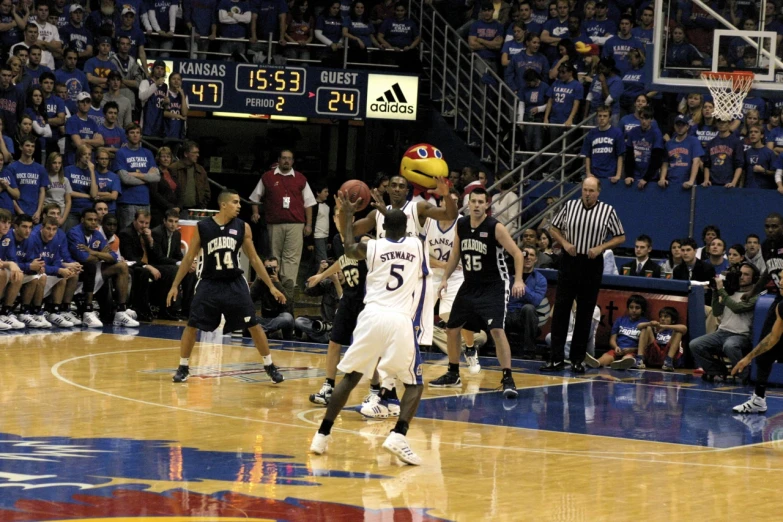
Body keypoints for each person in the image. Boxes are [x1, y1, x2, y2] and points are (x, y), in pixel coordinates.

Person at [309, 199, 426, 466]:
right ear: (406, 227)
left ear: (383, 227)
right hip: (399, 320)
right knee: (414, 384)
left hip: (371, 315)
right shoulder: (416, 246)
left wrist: (348, 218)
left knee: (350, 378)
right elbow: (405, 226)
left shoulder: (372, 247)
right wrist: (388, 212)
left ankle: (322, 435)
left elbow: (349, 248)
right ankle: (398, 434)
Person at [167, 189, 285, 384]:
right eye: (235, 202)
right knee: (192, 324)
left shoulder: (243, 227)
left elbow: (254, 259)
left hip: (234, 284)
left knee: (253, 324)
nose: (239, 206)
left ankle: (269, 365)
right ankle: (183, 366)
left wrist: (271, 286)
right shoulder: (203, 227)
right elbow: (189, 257)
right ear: (223, 205)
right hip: (209, 283)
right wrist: (174, 285)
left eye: (239, 202)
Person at [428, 187, 525, 397]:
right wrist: (445, 278)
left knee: (497, 331)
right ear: (469, 203)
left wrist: (518, 280)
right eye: (474, 201)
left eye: (482, 202)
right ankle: (453, 373)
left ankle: (508, 378)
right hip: (470, 284)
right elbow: (455, 253)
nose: (477, 205)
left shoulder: (495, 227)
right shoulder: (461, 225)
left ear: (487, 205)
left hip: (494, 286)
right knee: (452, 328)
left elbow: (517, 254)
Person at [541, 177, 625, 373]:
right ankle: (556, 358)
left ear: (598, 192)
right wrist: (564, 243)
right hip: (570, 259)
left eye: (591, 190)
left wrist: (601, 247)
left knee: (585, 313)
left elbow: (621, 236)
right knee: (561, 310)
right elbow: (553, 228)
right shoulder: (570, 205)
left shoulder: (607, 210)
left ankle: (578, 359)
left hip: (592, 261)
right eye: (585, 189)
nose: (587, 193)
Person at [307, 208, 370, 407]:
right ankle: (328, 386)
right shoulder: (336, 240)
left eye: (343, 215)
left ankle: (377, 391)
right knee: (334, 342)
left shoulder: (364, 239)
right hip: (348, 298)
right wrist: (321, 276)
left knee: (370, 348)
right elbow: (343, 261)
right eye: (336, 215)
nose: (338, 219)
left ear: (352, 218)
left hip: (367, 300)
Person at [249, 149, 316, 294]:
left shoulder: (300, 178)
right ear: (278, 160)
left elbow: (309, 203)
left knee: (292, 257)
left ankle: (288, 289)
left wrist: (309, 224)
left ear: (292, 161)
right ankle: (274, 287)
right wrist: (255, 213)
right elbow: (255, 197)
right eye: (284, 158)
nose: (286, 161)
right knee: (275, 256)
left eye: (289, 159)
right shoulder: (267, 177)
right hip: (274, 223)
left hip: (296, 224)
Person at [67, 207, 135, 328]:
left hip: (93, 269)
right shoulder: (74, 233)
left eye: (95, 220)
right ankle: (87, 311)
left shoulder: (97, 234)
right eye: (90, 220)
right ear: (82, 220)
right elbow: (83, 258)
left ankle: (121, 311)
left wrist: (93, 252)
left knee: (122, 266)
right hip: (77, 271)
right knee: (90, 266)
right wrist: (101, 255)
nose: (93, 222)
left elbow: (113, 256)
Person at [691, 262, 759, 381]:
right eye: (740, 273)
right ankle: (716, 370)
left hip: (742, 335)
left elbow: (738, 308)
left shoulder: (755, 295)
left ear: (754, 278)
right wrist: (715, 292)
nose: (742, 277)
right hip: (722, 332)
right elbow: (717, 312)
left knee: (730, 346)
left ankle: (744, 375)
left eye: (746, 274)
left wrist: (721, 290)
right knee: (695, 344)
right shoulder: (730, 291)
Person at [118, 208, 176, 321]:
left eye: (147, 223)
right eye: (141, 222)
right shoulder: (126, 233)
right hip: (133, 266)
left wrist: (150, 240)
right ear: (134, 220)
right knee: (143, 272)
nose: (144, 225)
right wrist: (147, 266)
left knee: (171, 270)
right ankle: (142, 310)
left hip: (148, 264)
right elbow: (130, 257)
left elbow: (157, 256)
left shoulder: (148, 234)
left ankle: (164, 310)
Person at [114, 123, 160, 230]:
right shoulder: (121, 153)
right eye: (132, 132)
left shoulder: (147, 153)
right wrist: (146, 178)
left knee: (143, 235)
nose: (135, 135)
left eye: (138, 133)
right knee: (128, 234)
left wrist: (136, 174)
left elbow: (156, 177)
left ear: (141, 135)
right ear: (126, 135)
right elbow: (125, 179)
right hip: (127, 201)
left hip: (144, 201)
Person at [585, 294, 648, 370]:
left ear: (642, 310)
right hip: (618, 350)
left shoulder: (645, 323)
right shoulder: (620, 320)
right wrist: (616, 347)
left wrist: (632, 349)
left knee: (627, 358)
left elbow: (645, 346)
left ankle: (621, 364)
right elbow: (612, 340)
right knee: (606, 357)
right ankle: (596, 363)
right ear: (628, 308)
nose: (634, 310)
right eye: (631, 307)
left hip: (632, 352)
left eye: (637, 308)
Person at [152, 208, 195, 317]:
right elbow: (159, 257)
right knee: (175, 270)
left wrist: (186, 264)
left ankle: (186, 310)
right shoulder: (157, 233)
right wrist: (178, 263)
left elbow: (178, 255)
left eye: (176, 222)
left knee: (191, 272)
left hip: (170, 265)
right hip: (157, 265)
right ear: (164, 221)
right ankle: (168, 309)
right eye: (170, 221)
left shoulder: (177, 234)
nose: (173, 225)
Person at [505, 246, 548, 354]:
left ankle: (529, 350)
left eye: (532, 255)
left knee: (529, 308)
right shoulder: (508, 276)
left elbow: (536, 301)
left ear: (536, 259)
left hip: (524, 317)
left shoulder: (540, 279)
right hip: (508, 313)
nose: (528, 258)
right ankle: (493, 348)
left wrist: (522, 286)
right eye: (525, 255)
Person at [295, 258, 341, 343]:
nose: (338, 272)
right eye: (335, 270)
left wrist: (336, 282)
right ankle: (325, 337)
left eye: (340, 270)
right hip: (325, 324)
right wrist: (320, 273)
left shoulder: (351, 286)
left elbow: (343, 301)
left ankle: (320, 337)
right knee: (300, 321)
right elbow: (309, 290)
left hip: (340, 326)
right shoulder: (328, 283)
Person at [250, 256, 294, 338]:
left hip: (281, 318)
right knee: (247, 317)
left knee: (287, 318)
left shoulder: (287, 281)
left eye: (274, 267)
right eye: (268, 268)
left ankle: (262, 329)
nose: (271, 270)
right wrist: (258, 281)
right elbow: (249, 299)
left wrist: (277, 282)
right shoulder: (260, 281)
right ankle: (266, 329)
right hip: (266, 318)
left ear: (278, 267)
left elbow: (288, 303)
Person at [168, 141, 211, 219]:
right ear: (186, 154)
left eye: (198, 152)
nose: (197, 155)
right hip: (178, 210)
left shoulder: (200, 169)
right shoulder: (174, 168)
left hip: (197, 210)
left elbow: (206, 191)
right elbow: (167, 190)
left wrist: (202, 206)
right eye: (194, 152)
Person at [9, 136, 48, 223]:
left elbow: (42, 192)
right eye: (27, 145)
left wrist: (38, 211)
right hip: (17, 214)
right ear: (20, 147)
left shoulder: (40, 169)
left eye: (32, 146)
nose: (30, 148)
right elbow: (10, 194)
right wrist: (20, 213)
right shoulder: (12, 168)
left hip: (35, 214)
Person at [660, 114, 704, 189]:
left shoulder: (693, 141)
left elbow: (696, 162)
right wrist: (662, 178)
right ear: (674, 126)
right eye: (678, 125)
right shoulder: (669, 144)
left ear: (687, 127)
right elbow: (665, 163)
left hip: (687, 183)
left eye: (682, 125)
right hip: (670, 184)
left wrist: (691, 181)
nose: (680, 128)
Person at [635, 306, 687, 371]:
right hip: (655, 354)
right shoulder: (656, 329)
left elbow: (684, 328)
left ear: (673, 320)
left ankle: (668, 362)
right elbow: (638, 326)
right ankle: (639, 359)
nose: (662, 319)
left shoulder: (674, 330)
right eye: (661, 316)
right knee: (646, 327)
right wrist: (650, 323)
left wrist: (663, 326)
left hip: (669, 354)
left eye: (666, 316)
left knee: (678, 332)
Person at [582, 105, 625, 180]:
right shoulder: (591, 133)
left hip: (611, 175)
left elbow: (620, 155)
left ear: (610, 118)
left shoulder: (617, 133)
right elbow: (587, 155)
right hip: (594, 175)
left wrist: (618, 175)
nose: (602, 118)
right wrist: (588, 173)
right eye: (600, 116)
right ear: (597, 117)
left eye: (605, 116)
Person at [63, 144, 98, 231]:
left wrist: (92, 171)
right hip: (72, 209)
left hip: (88, 210)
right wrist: (87, 196)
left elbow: (94, 194)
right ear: (79, 155)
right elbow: (68, 192)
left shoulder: (93, 172)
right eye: (84, 154)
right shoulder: (68, 170)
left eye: (89, 154)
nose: (87, 157)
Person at [64, 92, 104, 167]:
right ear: (77, 104)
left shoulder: (93, 123)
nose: (85, 104)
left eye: (88, 102)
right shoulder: (72, 120)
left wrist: (84, 140)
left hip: (88, 164)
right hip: (73, 162)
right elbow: (79, 145)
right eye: (82, 101)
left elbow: (101, 142)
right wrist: (93, 144)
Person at [0, 208, 24, 329]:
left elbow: (12, 258)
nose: (6, 226)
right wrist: (9, 264)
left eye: (9, 223)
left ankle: (5, 312)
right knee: (2, 273)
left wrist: (12, 265)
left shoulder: (7, 236)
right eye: (3, 222)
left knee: (18, 274)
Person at [703, 118, 744, 188]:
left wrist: (734, 182)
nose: (721, 124)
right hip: (712, 183)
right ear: (716, 123)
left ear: (729, 123)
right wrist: (706, 180)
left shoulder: (736, 142)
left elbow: (739, 165)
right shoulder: (711, 143)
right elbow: (707, 164)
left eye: (724, 122)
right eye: (719, 122)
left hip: (729, 183)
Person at [43, 152, 70, 225]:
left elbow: (68, 201)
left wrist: (63, 219)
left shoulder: (65, 180)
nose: (57, 165)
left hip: (61, 215)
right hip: (48, 214)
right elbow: (41, 199)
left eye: (59, 163)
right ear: (49, 163)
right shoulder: (44, 178)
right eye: (54, 163)